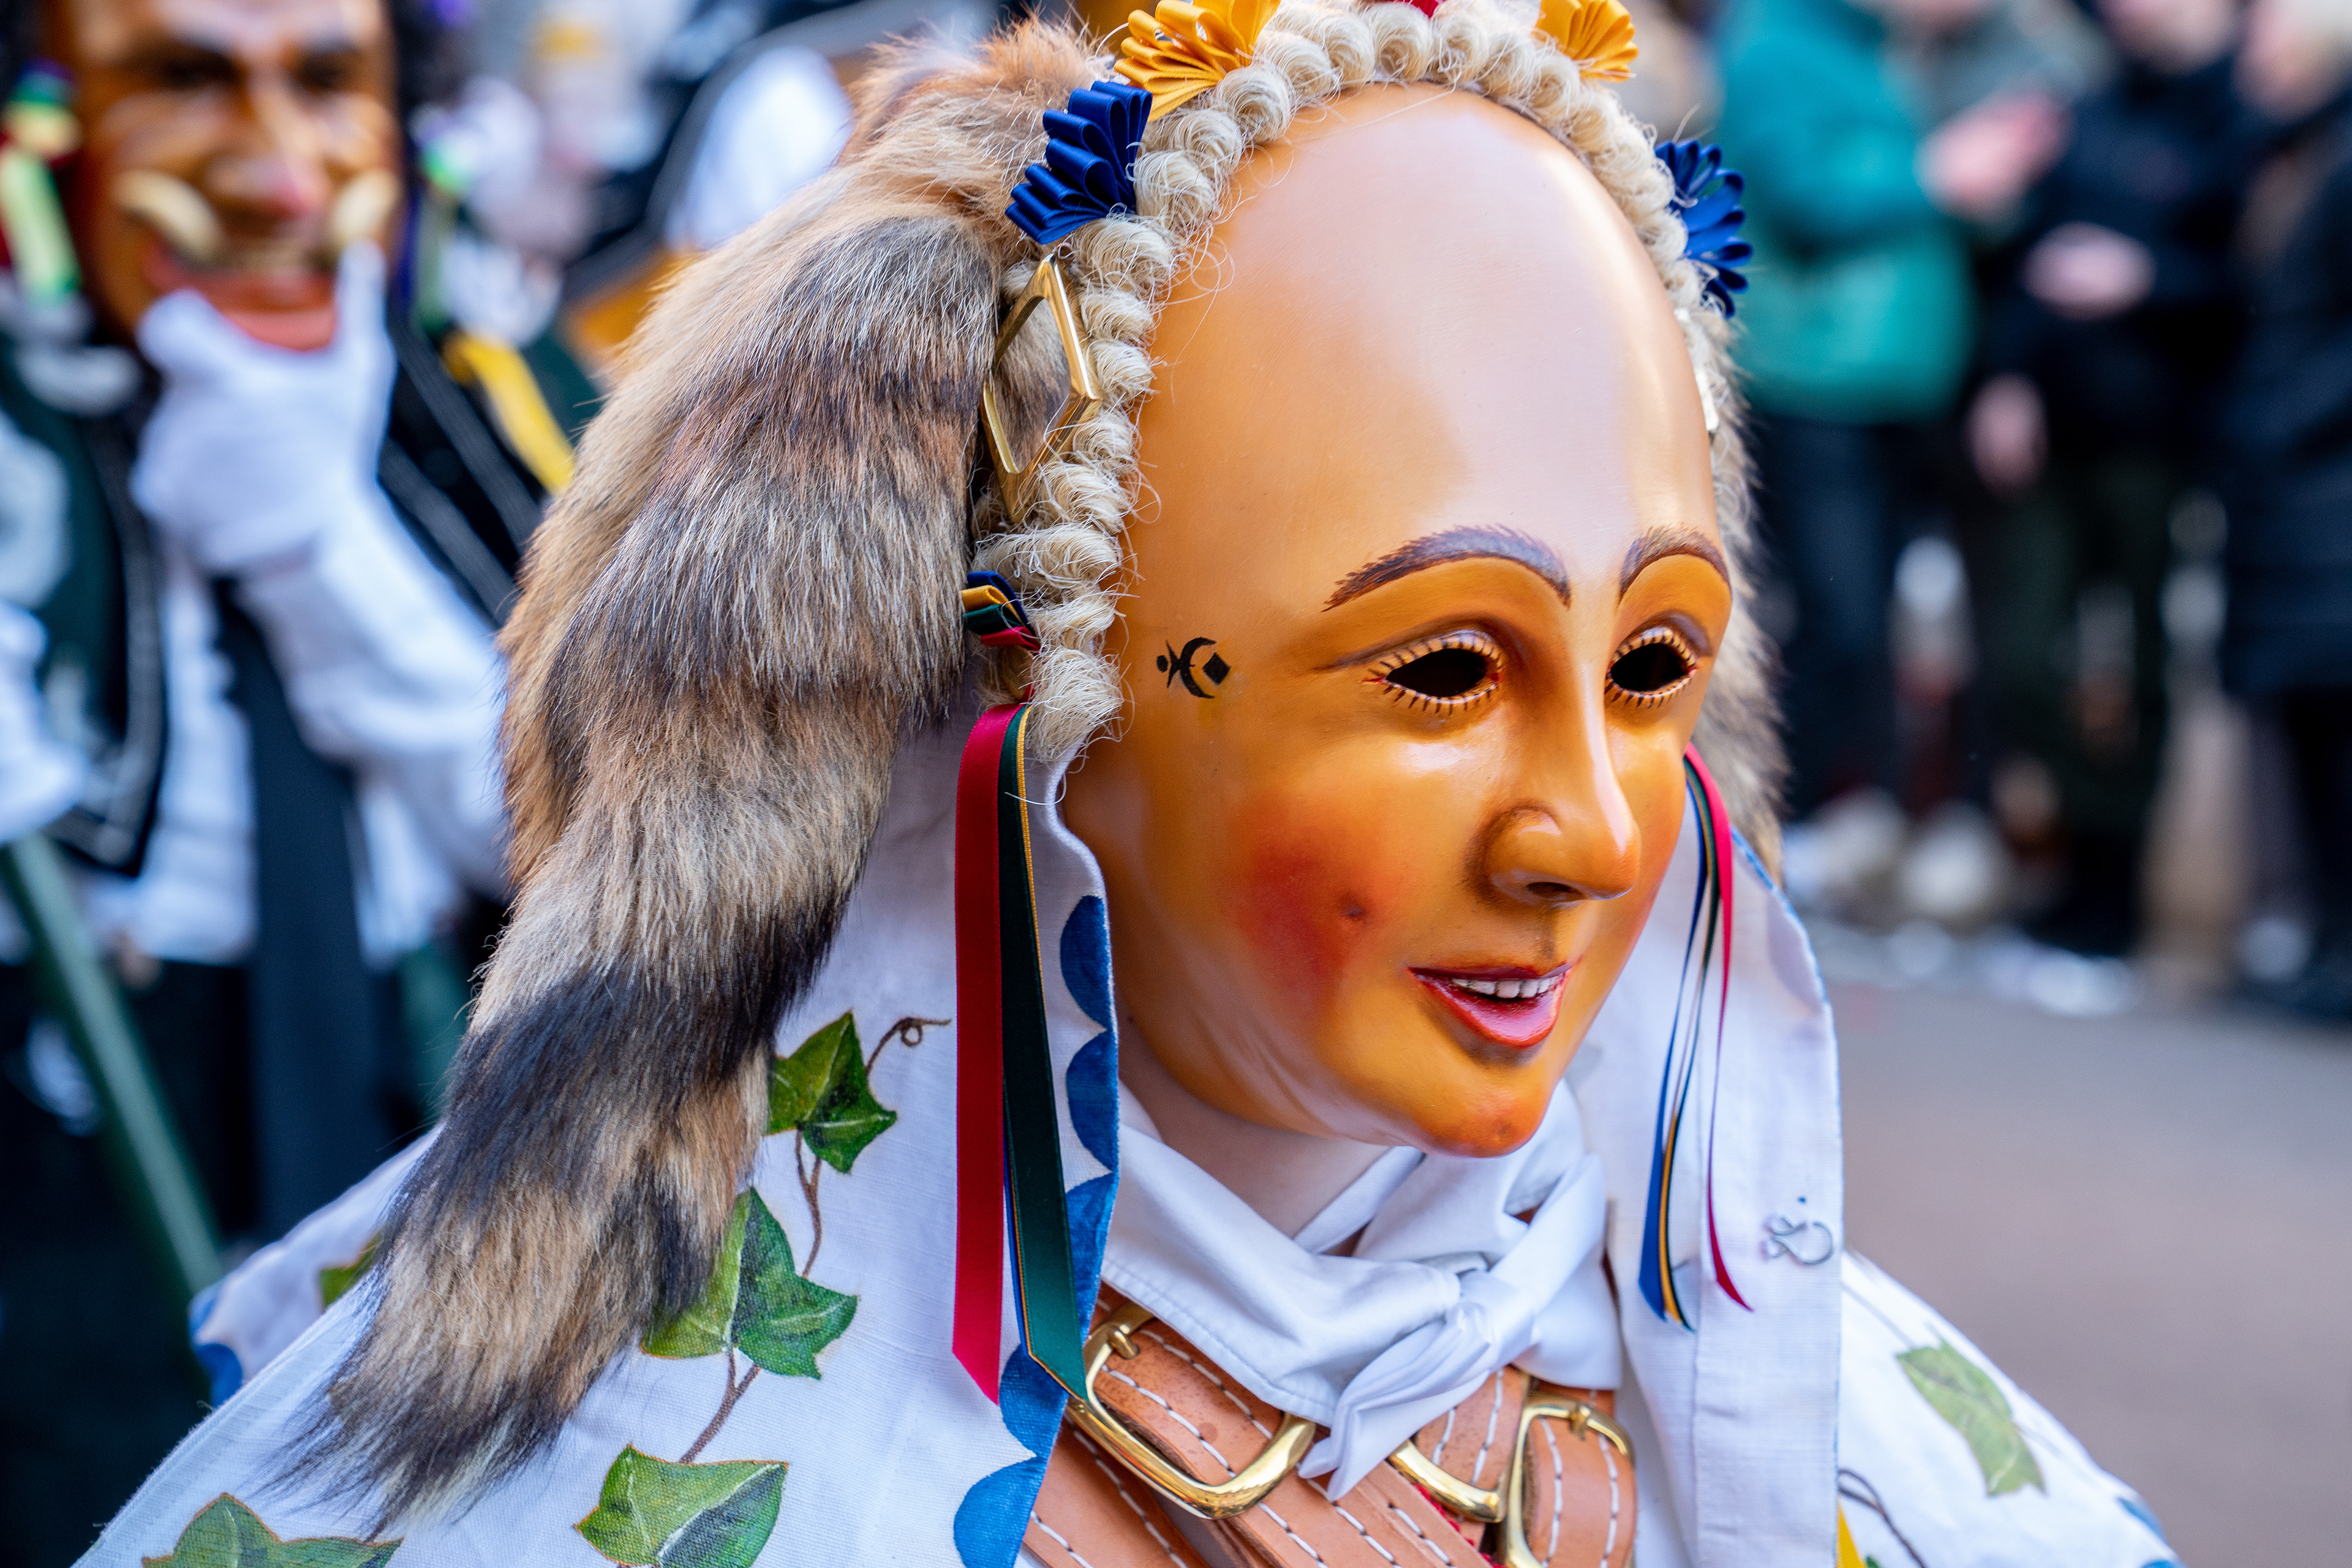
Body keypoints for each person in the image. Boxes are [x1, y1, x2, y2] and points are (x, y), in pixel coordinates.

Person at [81, 6, 2174, 1567]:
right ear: (1059, 692)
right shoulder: (644, 1462)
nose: (1597, 836)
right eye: (1441, 669)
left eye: (1652, 671)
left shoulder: (1842, 1438)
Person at [0, 0, 582, 1556]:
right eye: (183, 80)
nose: (274, 175)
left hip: (433, 1160)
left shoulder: (497, 398)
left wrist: (314, 544)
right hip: (77, 1217)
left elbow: (603, 844)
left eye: (327, 82)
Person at [1714, 0, 2065, 821]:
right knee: (1835, 622)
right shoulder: (1773, 41)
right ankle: (1781, 821)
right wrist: (1938, 172)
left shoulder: (1897, 49)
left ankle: (1863, 808)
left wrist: (2001, 167)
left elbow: (1961, 211)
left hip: (1914, 384)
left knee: (1898, 625)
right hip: (1813, 380)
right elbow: (1801, 190)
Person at [1967, 0, 2252, 957]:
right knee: (2025, 656)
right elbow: (2032, 254)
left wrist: (2149, 278)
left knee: (2139, 665)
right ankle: (2086, 845)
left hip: (2157, 440)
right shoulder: (2089, 103)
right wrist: (2008, 378)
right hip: (2058, 429)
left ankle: (2112, 886)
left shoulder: (2233, 115)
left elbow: (2253, 284)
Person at [2220, 0, 2352, 1017]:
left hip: (2327, 481)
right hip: (2289, 486)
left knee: (2336, 729)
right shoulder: (2289, 145)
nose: (2247, 39)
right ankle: (2320, 947)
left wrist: (2280, 419)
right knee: (2302, 720)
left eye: (2266, 21)